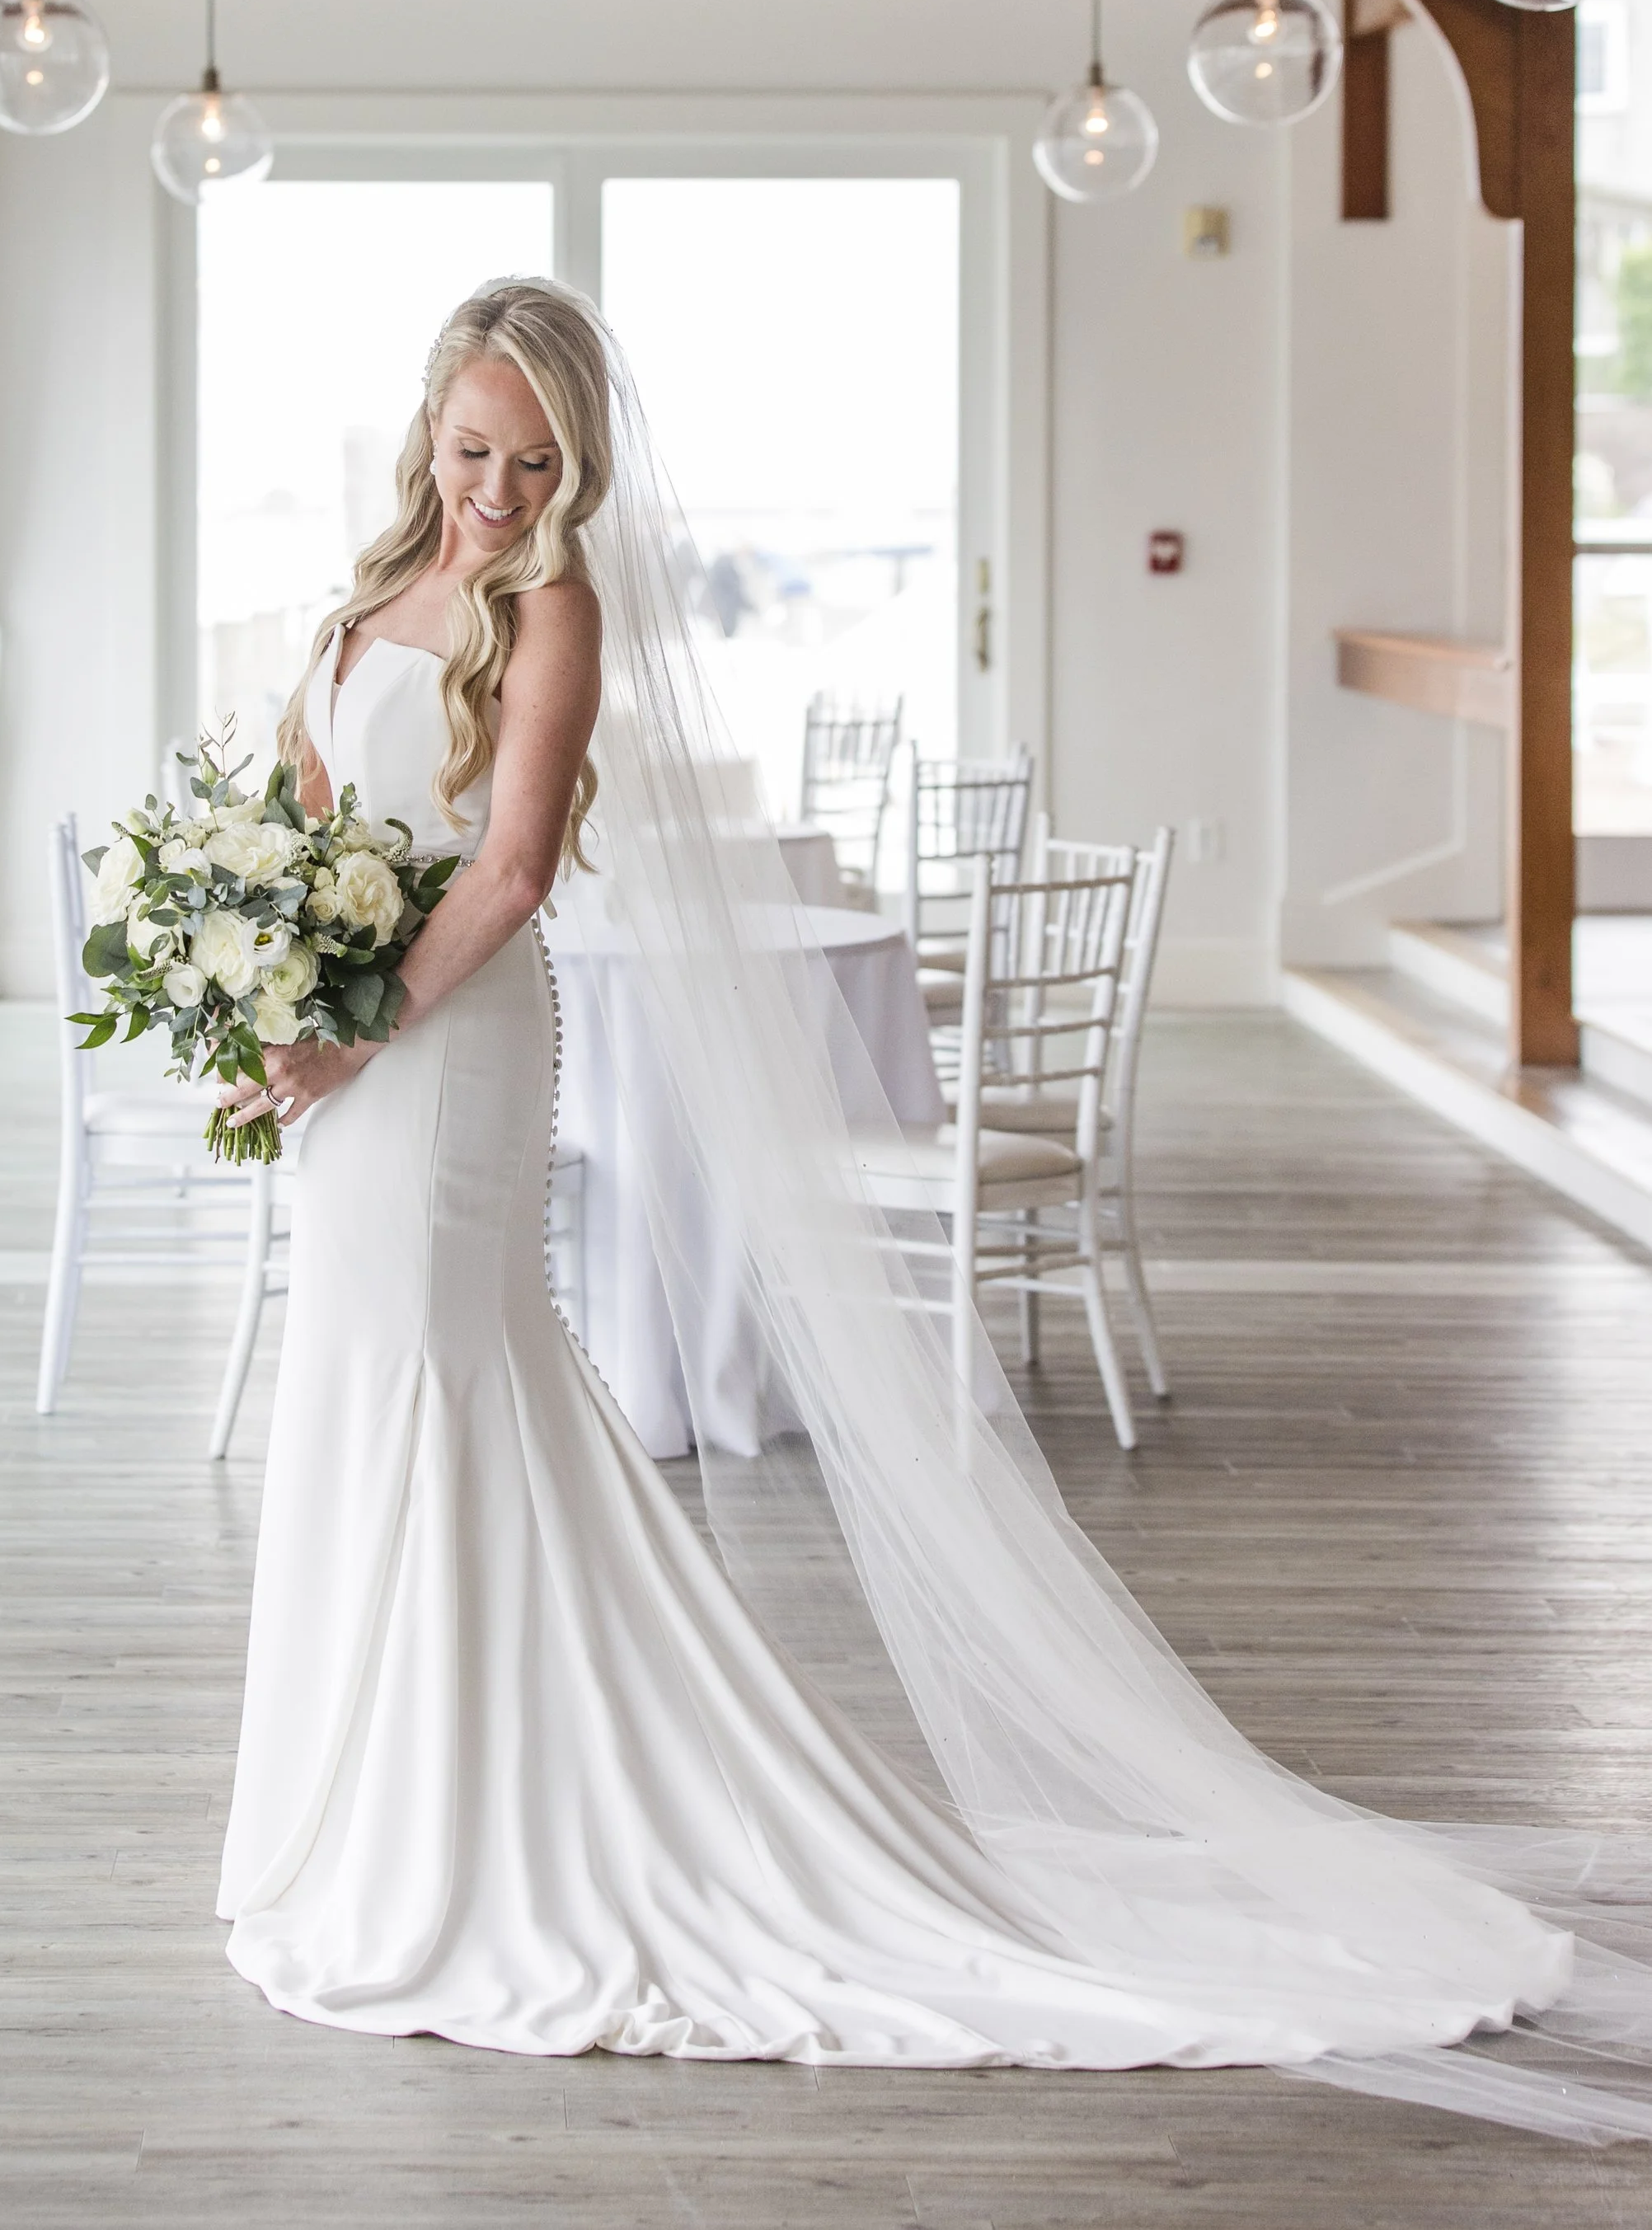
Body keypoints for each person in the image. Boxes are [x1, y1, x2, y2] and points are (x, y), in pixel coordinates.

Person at [216, 278, 1652, 2134]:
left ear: (576, 464)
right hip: (348, 1061)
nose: (495, 485)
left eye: (534, 457)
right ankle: (362, 1810)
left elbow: (500, 878)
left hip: (450, 1050)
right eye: (472, 446)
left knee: (444, 1385)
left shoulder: (547, 610)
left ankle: (480, 1831)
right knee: (361, 1393)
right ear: (427, 427)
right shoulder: (353, 605)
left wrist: (353, 1041)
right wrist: (265, 992)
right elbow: (310, 819)